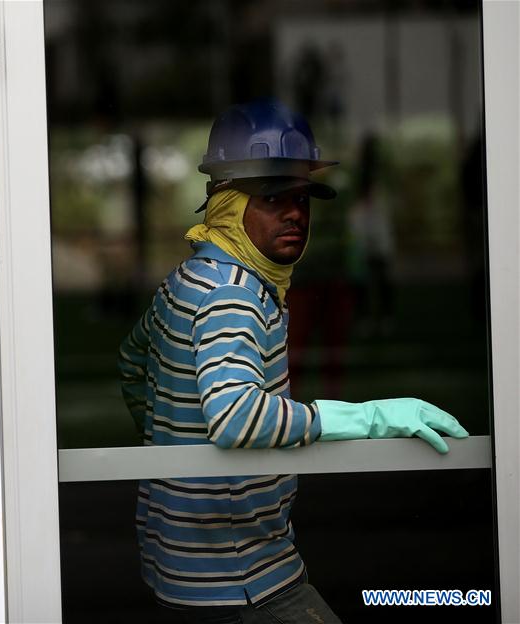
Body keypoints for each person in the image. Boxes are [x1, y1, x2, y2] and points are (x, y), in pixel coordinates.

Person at [117, 99, 469, 623]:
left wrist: (176, 452)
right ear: (227, 204)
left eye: (303, 198)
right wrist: (370, 418)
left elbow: (132, 361)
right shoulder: (232, 295)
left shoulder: (189, 278)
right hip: (244, 579)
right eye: (274, 198)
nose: (296, 214)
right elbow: (237, 418)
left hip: (187, 569)